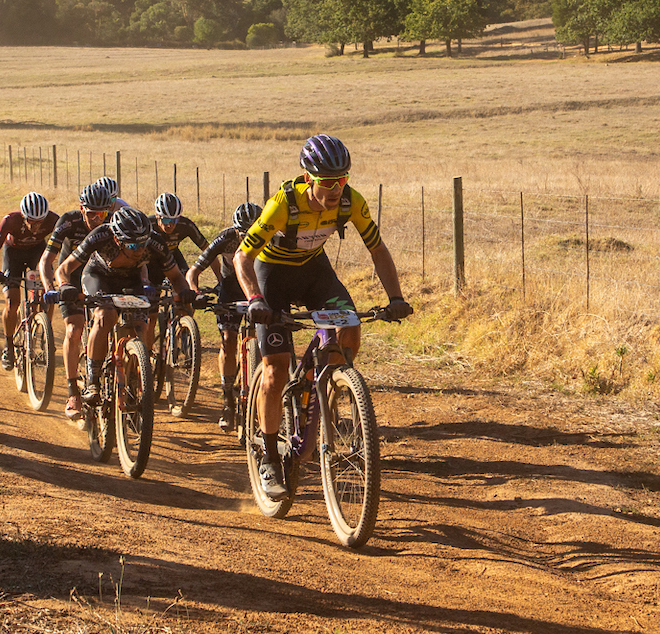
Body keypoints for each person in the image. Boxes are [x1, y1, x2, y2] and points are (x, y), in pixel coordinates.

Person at [234, 135, 408, 498]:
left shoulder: (351, 202)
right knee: (275, 369)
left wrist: (395, 297)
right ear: (308, 177)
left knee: (350, 329)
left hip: (314, 273)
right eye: (327, 181)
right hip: (273, 278)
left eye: (342, 179)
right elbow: (242, 257)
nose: (335, 189)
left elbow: (377, 249)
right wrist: (254, 299)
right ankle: (268, 456)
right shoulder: (283, 203)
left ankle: (329, 391)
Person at [60, 204, 190, 411]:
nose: (139, 250)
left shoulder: (154, 242)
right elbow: (65, 268)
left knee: (140, 324)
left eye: (142, 244)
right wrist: (65, 286)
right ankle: (93, 381)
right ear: (117, 239)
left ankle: (131, 376)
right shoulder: (100, 235)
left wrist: (185, 293)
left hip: (132, 279)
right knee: (105, 316)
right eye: (132, 246)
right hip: (98, 276)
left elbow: (176, 277)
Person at [41, 180, 119, 421]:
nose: (97, 219)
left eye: (103, 213)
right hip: (71, 279)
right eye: (92, 213)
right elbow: (46, 261)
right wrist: (53, 289)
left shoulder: (113, 225)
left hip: (101, 277)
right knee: (74, 330)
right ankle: (73, 392)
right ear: (81, 208)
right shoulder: (68, 221)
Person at [191, 201, 264, 432]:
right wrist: (195, 292)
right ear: (236, 231)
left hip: (258, 289)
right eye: (244, 234)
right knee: (229, 340)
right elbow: (194, 270)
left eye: (254, 233)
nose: (248, 239)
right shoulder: (225, 238)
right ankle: (227, 399)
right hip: (231, 290)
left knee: (264, 340)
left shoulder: (270, 237)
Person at [0, 191, 57, 370]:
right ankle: (8, 346)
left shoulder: (54, 220)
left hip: (37, 252)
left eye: (40, 222)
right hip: (13, 254)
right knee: (12, 301)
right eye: (32, 222)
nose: (36, 226)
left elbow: (65, 247)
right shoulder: (11, 221)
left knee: (49, 293)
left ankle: (43, 336)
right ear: (24, 217)